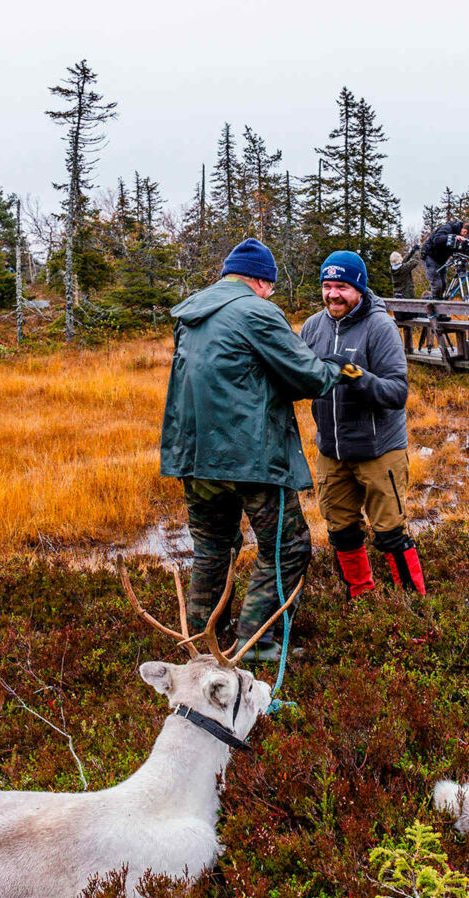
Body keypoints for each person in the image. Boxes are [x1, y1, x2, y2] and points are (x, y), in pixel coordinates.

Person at [160, 238, 353, 661]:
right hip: (251, 459)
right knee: (287, 546)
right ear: (262, 281)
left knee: (213, 546)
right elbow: (308, 377)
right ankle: (256, 641)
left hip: (195, 460)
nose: (270, 293)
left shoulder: (190, 313)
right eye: (271, 286)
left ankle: (203, 637)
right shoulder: (258, 311)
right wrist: (337, 369)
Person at [300, 251, 423, 596]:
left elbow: (396, 392)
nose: (332, 294)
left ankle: (414, 605)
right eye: (327, 286)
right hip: (331, 451)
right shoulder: (312, 326)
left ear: (359, 288)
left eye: (341, 286)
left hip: (378, 450)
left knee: (390, 534)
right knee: (341, 531)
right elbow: (296, 378)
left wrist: (355, 375)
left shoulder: (380, 327)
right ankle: (361, 598)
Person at [422, 220, 469, 299]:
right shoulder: (448, 228)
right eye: (465, 237)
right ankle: (434, 308)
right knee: (437, 285)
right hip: (430, 257)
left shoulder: (460, 236)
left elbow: (458, 250)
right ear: (464, 231)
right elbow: (437, 239)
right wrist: (454, 237)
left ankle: (440, 305)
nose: (464, 239)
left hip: (442, 260)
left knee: (443, 284)